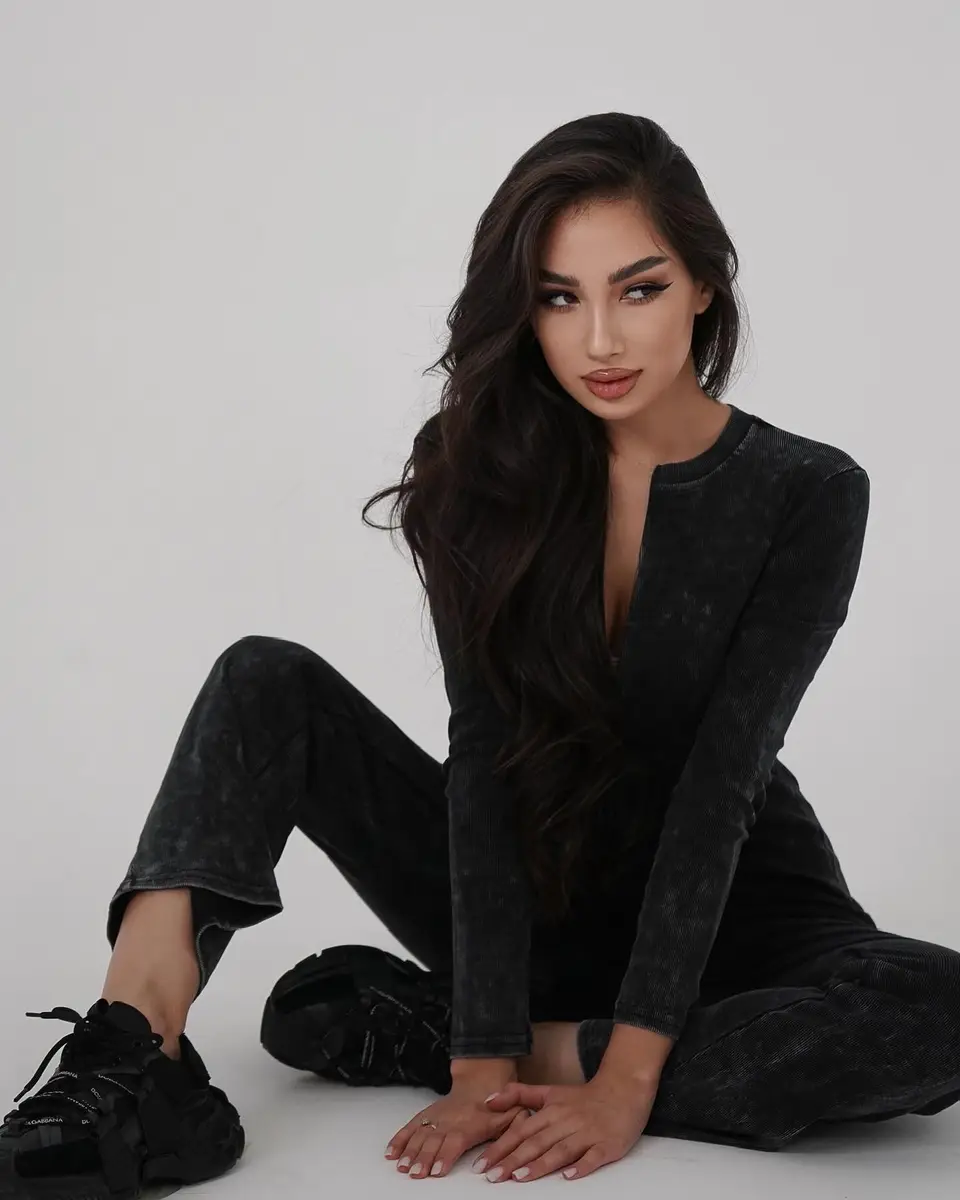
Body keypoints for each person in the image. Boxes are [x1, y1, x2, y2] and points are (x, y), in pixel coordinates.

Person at [4, 112, 960, 1198]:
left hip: (741, 917)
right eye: (558, 298)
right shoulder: (479, 472)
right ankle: (135, 1061)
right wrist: (480, 1065)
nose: (600, 340)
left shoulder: (809, 490)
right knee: (263, 679)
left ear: (704, 283)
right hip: (533, 896)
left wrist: (619, 1076)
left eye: (639, 290)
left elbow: (722, 783)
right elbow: (485, 764)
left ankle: (456, 1030)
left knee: (934, 1012)